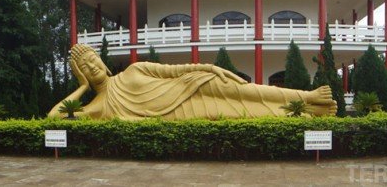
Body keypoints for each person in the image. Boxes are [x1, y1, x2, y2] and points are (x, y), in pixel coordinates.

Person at [48, 44, 337, 120]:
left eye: (94, 60)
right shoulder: (99, 105)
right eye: (85, 67)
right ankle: (309, 110)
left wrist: (211, 67)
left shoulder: (134, 69)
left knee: (242, 89)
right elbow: (55, 118)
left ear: (102, 60)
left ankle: (307, 95)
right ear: (81, 72)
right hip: (181, 110)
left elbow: (176, 70)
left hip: (192, 83)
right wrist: (83, 87)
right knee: (242, 111)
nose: (93, 66)